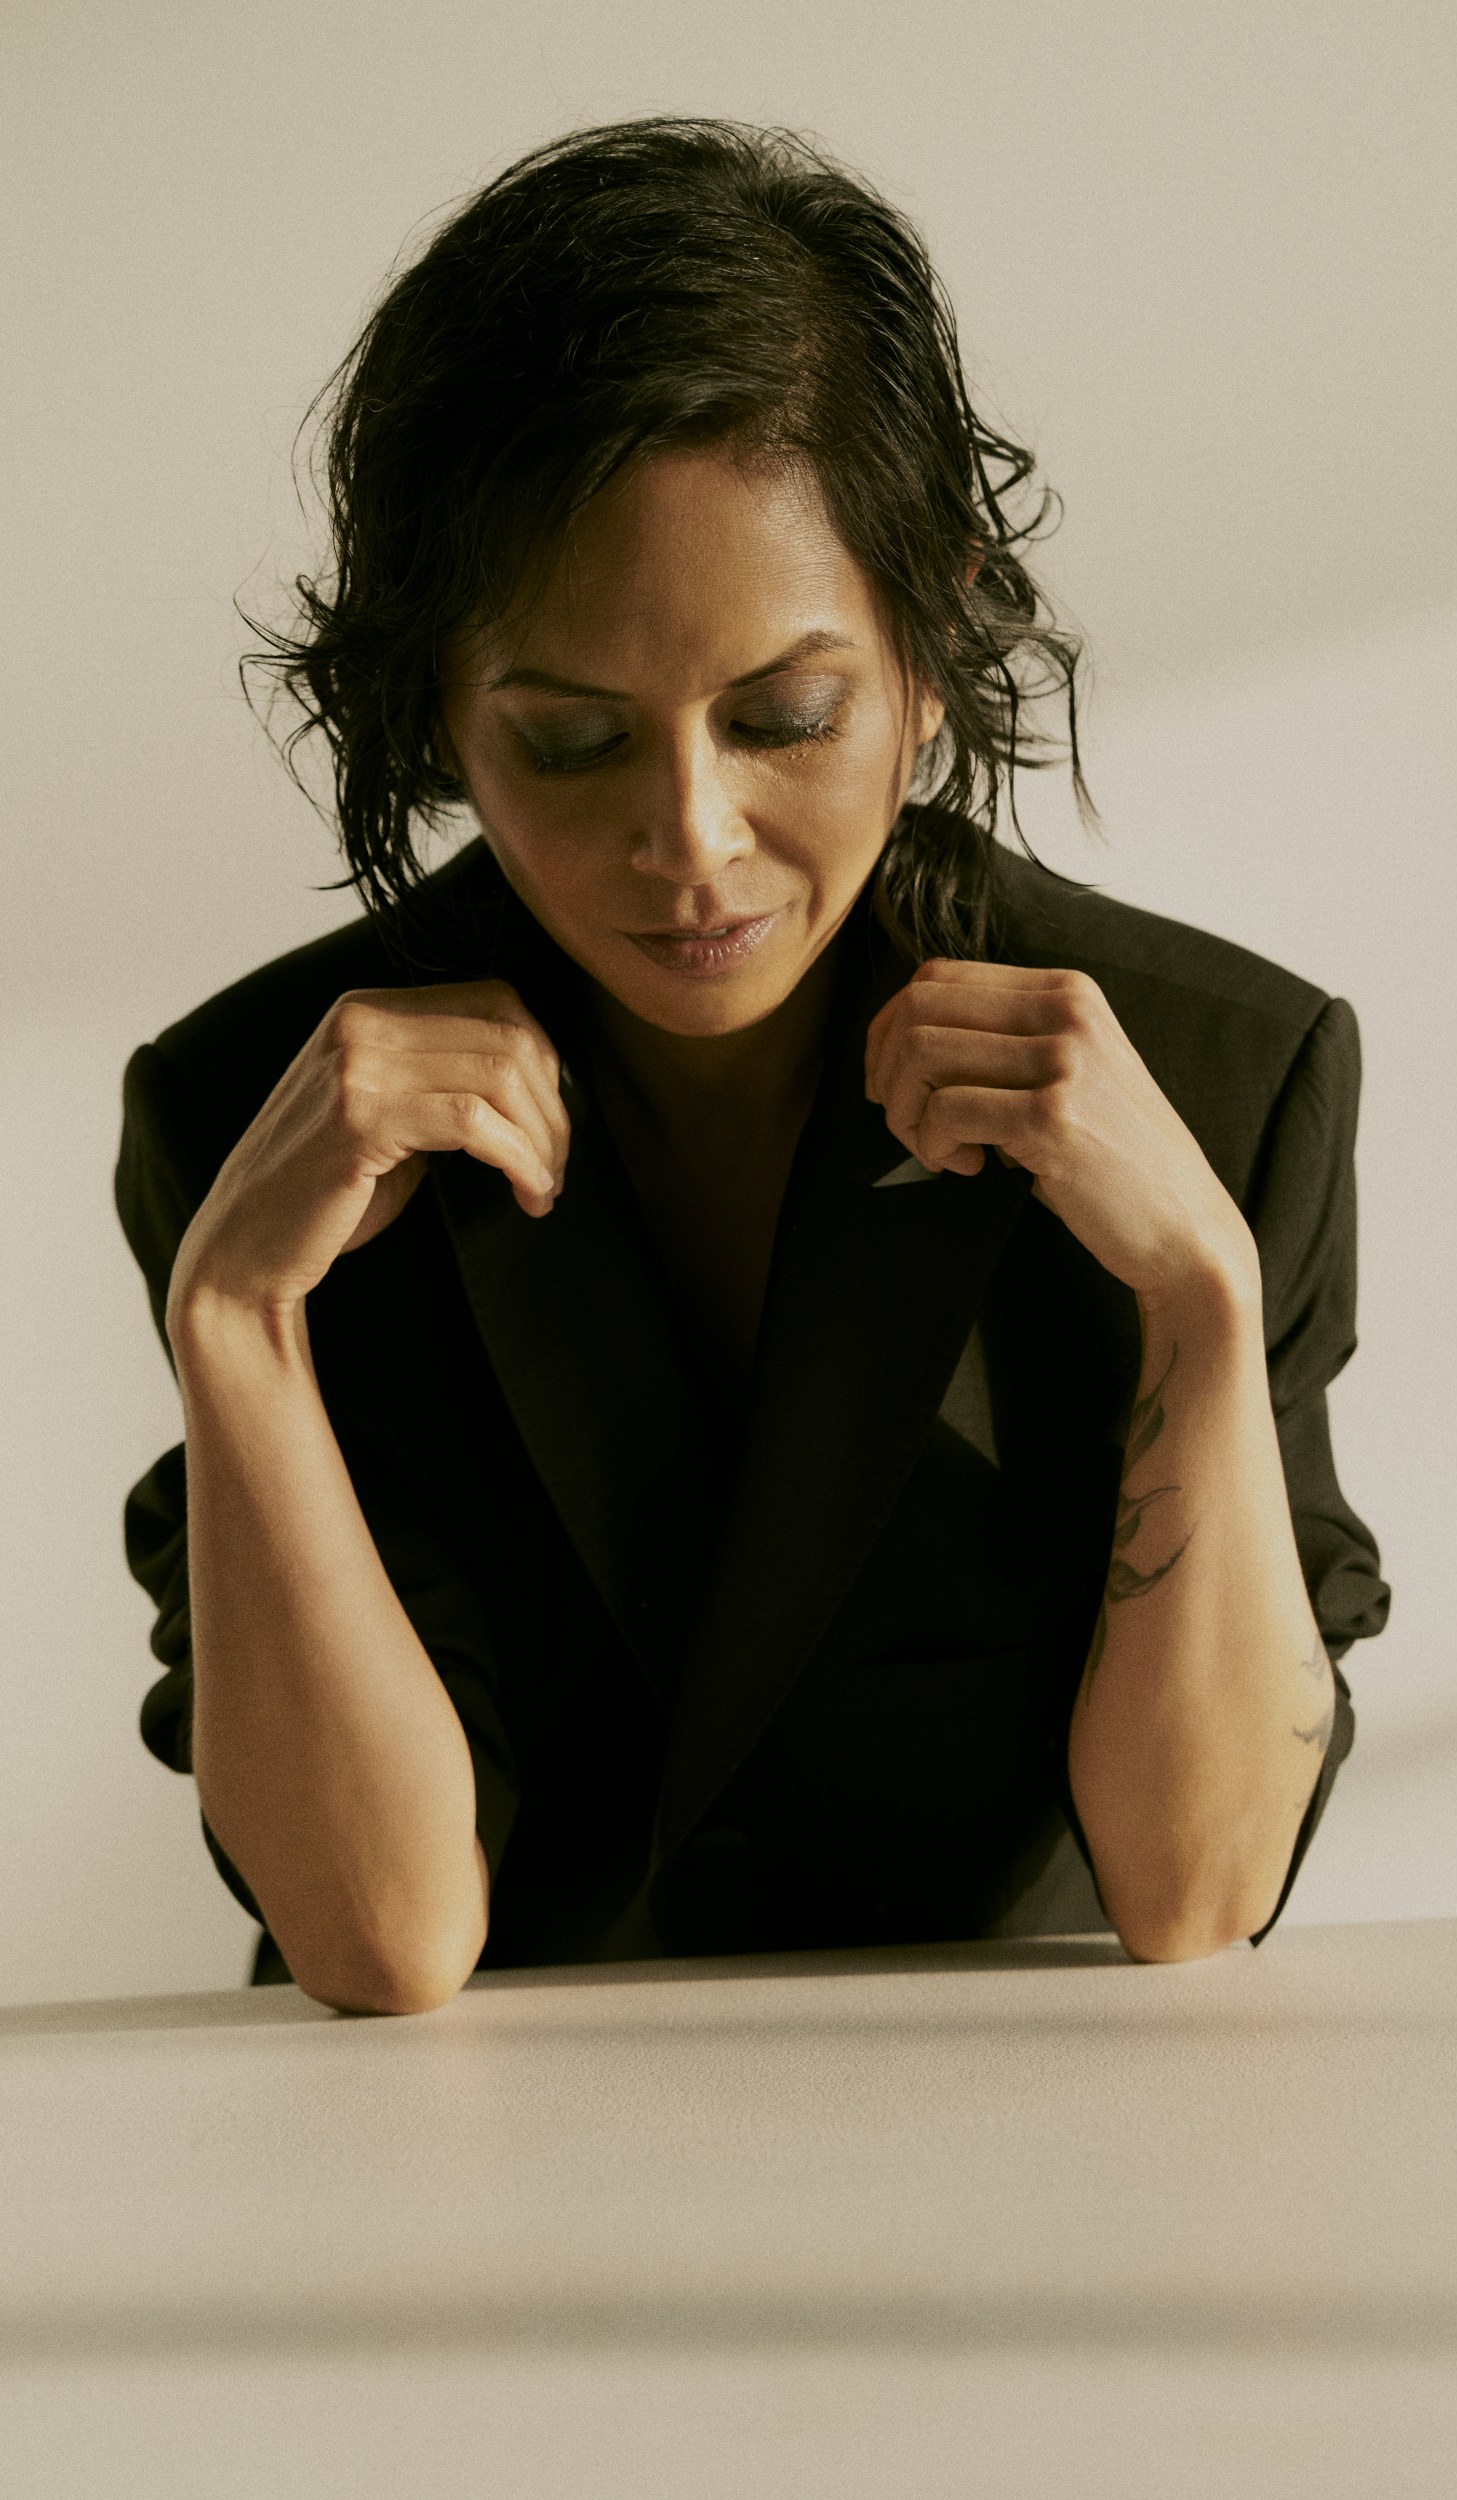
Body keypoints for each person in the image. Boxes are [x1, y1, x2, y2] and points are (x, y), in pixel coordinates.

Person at [117, 118, 1389, 2016]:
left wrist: (1201, 1309)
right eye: (569, 740)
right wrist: (236, 1318)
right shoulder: (253, 1119)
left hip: (1028, 2191)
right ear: (436, 711)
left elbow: (1198, 1888)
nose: (692, 838)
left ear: (933, 641)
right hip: (453, 2205)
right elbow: (382, 1939)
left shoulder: (1225, 1077)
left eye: (784, 716)